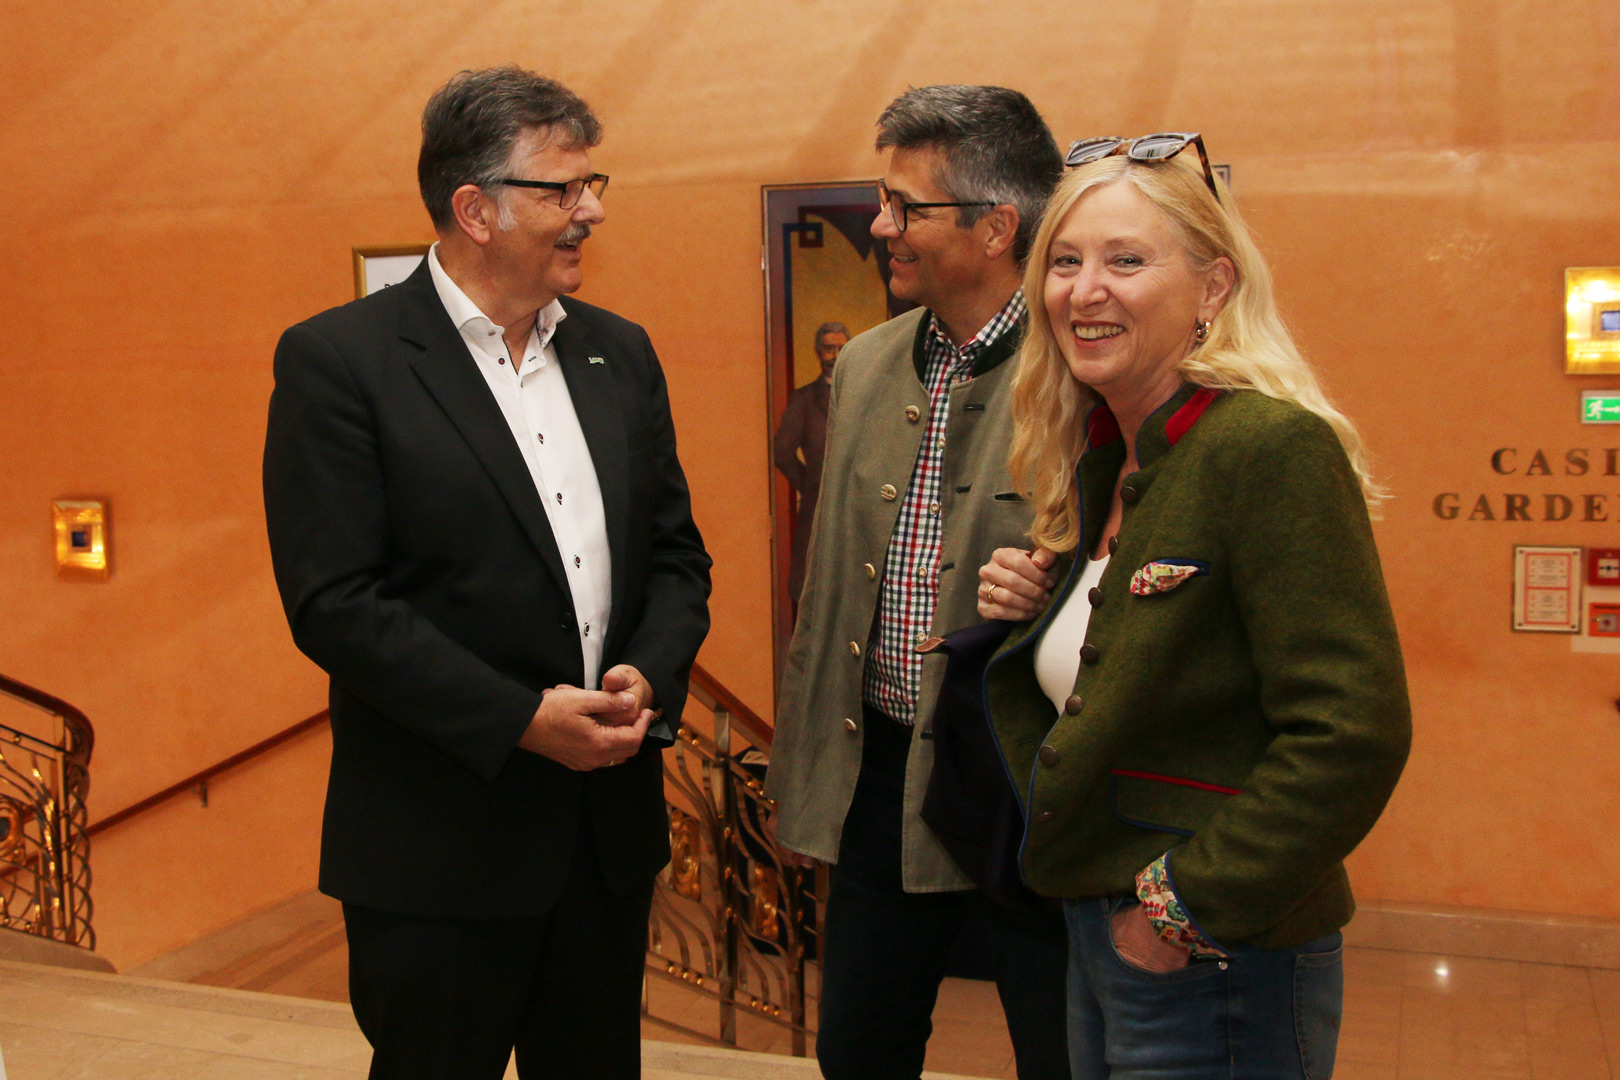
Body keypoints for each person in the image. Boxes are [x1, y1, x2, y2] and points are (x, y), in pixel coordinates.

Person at [262, 67, 711, 1080]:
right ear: (475, 209)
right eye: (563, 189)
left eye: (594, 184)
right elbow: (336, 603)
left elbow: (676, 556)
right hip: (438, 848)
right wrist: (520, 719)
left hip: (603, 842)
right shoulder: (341, 362)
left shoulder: (620, 353)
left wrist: (648, 672)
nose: (591, 210)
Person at [975, 133, 1412, 1079]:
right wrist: (1039, 608)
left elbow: (1351, 731)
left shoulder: (1266, 447)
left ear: (1214, 288)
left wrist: (1179, 910)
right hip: (1101, 923)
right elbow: (1144, 668)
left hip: (1216, 951)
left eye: (1126, 261)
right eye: (1065, 262)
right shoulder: (1108, 457)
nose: (1085, 291)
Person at [765, 86, 1070, 1080]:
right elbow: (828, 594)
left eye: (906, 206)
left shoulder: (1081, 369)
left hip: (1027, 783)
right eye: (882, 201)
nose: (881, 225)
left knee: (1065, 1053)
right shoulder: (864, 364)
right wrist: (806, 781)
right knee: (858, 1050)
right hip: (880, 775)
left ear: (997, 227)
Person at [774, 321, 849, 605]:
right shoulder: (804, 399)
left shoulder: (865, 396)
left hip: (858, 506)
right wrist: (810, 485)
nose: (835, 356)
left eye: (841, 349)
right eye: (829, 349)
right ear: (818, 352)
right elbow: (782, 452)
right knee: (813, 589)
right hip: (818, 507)